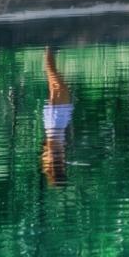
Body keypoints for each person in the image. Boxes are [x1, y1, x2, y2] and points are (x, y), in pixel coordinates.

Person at [41, 46, 73, 187]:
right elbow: (47, 145)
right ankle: (50, 53)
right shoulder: (50, 162)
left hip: (56, 123)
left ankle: (49, 52)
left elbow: (50, 145)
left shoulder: (52, 161)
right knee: (55, 85)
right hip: (55, 125)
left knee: (58, 85)